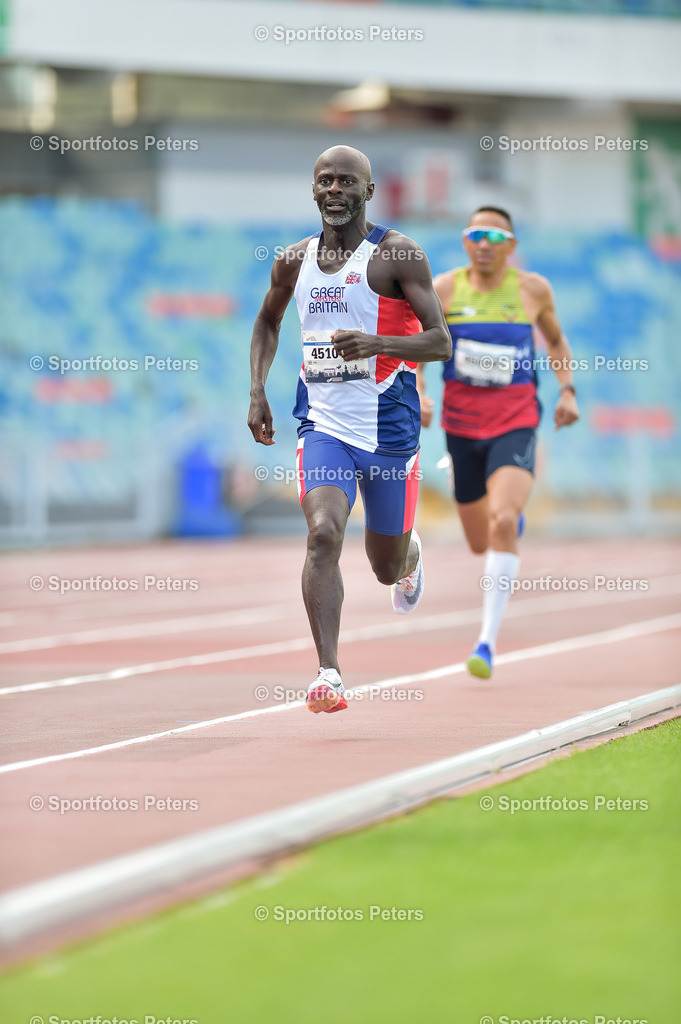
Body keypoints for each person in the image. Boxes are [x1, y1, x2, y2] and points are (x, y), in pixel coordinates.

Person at [248, 146, 451, 714]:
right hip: (323, 424)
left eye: (346, 181)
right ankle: (328, 674)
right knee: (323, 535)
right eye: (325, 181)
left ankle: (408, 555)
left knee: (384, 567)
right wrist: (258, 389)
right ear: (313, 191)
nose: (334, 190)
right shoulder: (293, 260)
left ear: (368, 191)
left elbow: (440, 340)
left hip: (389, 429)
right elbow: (267, 320)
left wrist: (379, 343)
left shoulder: (397, 255)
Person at [417, 206, 579, 679]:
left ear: (511, 244)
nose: (484, 243)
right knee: (479, 542)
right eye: (475, 234)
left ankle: (485, 642)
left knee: (503, 519)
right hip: (461, 428)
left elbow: (555, 342)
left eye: (494, 235)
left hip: (516, 421)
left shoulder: (533, 290)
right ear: (466, 242)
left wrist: (567, 390)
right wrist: (423, 395)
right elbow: (421, 349)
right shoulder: (444, 288)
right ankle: (506, 526)